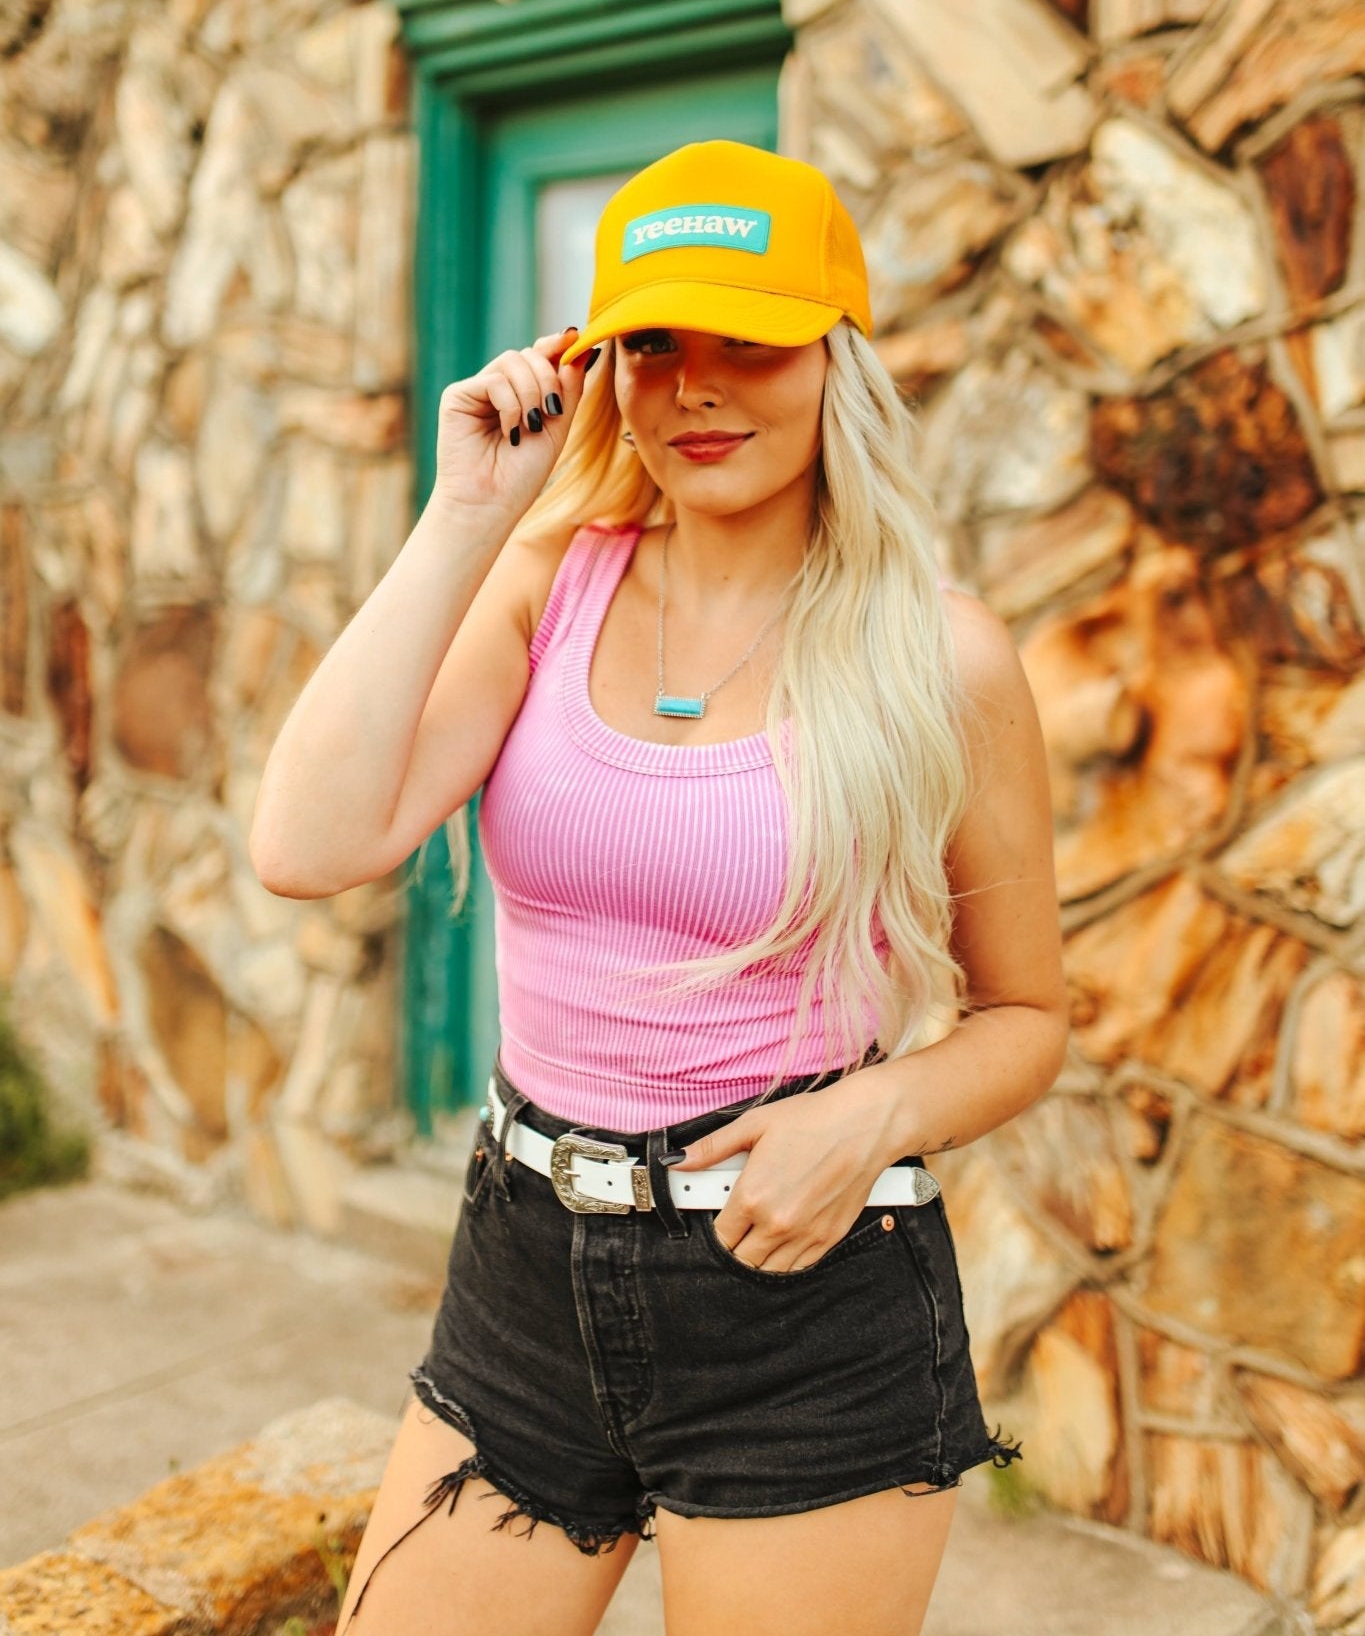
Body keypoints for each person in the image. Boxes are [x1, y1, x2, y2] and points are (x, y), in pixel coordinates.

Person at [249, 138, 1067, 1636]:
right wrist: (467, 513)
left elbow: (1027, 1017)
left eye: (749, 344)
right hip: (523, 1270)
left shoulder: (940, 657)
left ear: (834, 357)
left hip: (801, 1294)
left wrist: (871, 1114)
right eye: (654, 346)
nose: (697, 389)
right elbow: (306, 845)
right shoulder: (545, 584)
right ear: (598, 370)